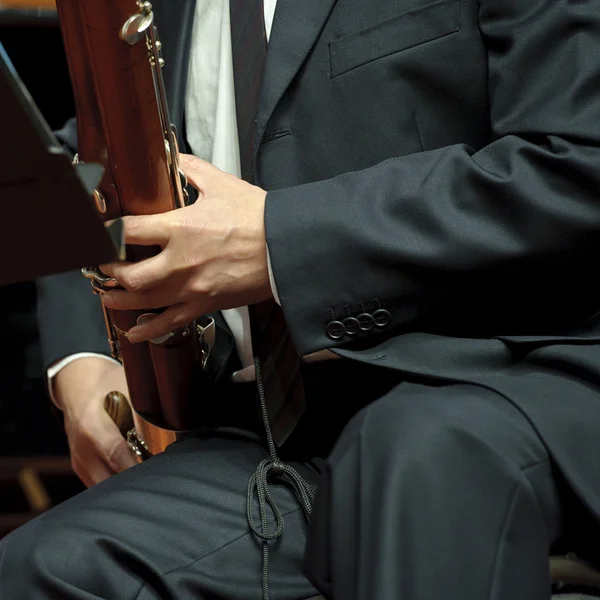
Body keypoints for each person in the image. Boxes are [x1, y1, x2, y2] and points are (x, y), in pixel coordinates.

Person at [2, 0, 600, 598]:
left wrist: (277, 242)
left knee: (406, 460)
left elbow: (578, 165)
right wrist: (82, 365)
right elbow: (92, 160)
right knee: (37, 570)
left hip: (510, 376)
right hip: (272, 427)